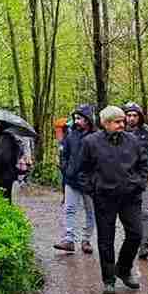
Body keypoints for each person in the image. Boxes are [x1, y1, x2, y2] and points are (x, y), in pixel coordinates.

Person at [80, 105, 148, 294]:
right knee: (105, 240)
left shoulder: (133, 141)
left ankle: (124, 268)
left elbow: (144, 164)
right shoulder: (90, 142)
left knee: (136, 234)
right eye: (117, 121)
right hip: (104, 197)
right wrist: (92, 189)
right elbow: (83, 170)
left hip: (130, 197)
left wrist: (138, 183)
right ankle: (109, 279)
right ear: (105, 123)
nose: (123, 124)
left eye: (123, 121)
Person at [54, 104, 96, 254]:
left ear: (88, 120)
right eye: (75, 118)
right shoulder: (71, 135)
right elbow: (64, 155)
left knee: (90, 211)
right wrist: (66, 169)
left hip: (89, 182)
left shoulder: (95, 137)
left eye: (80, 118)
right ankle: (69, 240)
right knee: (69, 209)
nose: (76, 121)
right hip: (71, 179)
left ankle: (86, 240)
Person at [124, 102, 148, 259]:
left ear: (140, 116)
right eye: (129, 115)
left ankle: (144, 246)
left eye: (135, 115)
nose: (131, 118)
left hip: (144, 178)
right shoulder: (121, 132)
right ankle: (131, 244)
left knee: (144, 212)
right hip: (126, 179)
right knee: (129, 213)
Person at [0, 123, 21, 202]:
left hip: (3, 173)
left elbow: (5, 157)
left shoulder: (5, 138)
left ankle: (7, 212)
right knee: (4, 195)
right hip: (2, 173)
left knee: (4, 196)